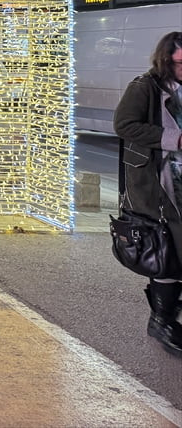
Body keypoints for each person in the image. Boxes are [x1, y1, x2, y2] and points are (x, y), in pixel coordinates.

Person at [113, 31, 182, 357]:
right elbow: (124, 125)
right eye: (180, 63)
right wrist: (173, 139)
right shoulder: (145, 87)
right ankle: (162, 320)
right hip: (160, 185)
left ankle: (166, 317)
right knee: (167, 251)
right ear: (165, 60)